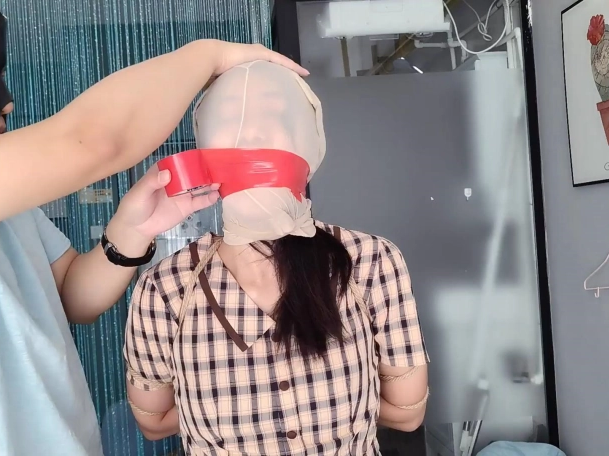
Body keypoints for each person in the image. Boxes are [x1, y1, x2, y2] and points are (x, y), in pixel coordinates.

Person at [0, 0, 306, 454]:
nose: (7, 100)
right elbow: (96, 141)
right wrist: (208, 55)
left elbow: (70, 295)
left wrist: (131, 232)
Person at [123, 61, 429, 455]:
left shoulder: (371, 262)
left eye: (273, 113)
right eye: (229, 117)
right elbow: (150, 423)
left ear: (308, 138)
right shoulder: (164, 289)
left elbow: (408, 414)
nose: (251, 132)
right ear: (203, 149)